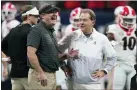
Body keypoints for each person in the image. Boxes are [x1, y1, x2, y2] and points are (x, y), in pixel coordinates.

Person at [58, 9, 116, 90]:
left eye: (84, 20)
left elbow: (113, 57)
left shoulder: (102, 38)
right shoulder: (71, 36)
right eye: (80, 20)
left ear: (93, 22)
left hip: (93, 84)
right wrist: (63, 66)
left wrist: (104, 71)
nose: (81, 22)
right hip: (73, 82)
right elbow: (56, 52)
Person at [27, 3, 76, 90]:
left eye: (55, 12)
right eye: (51, 12)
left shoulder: (51, 31)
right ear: (42, 15)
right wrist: (40, 73)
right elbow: (30, 54)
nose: (54, 14)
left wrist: (65, 58)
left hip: (51, 75)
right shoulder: (37, 30)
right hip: (41, 76)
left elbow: (53, 55)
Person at [1, 5, 39, 90]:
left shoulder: (13, 30)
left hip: (15, 73)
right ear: (29, 16)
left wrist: (12, 56)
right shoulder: (32, 31)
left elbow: (3, 45)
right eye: (36, 16)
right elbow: (35, 52)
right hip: (28, 73)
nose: (38, 18)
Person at [107, 6, 136, 90]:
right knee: (117, 87)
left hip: (133, 64)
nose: (129, 22)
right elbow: (108, 45)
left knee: (133, 87)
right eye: (127, 19)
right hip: (119, 64)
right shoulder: (113, 28)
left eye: (131, 19)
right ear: (121, 18)